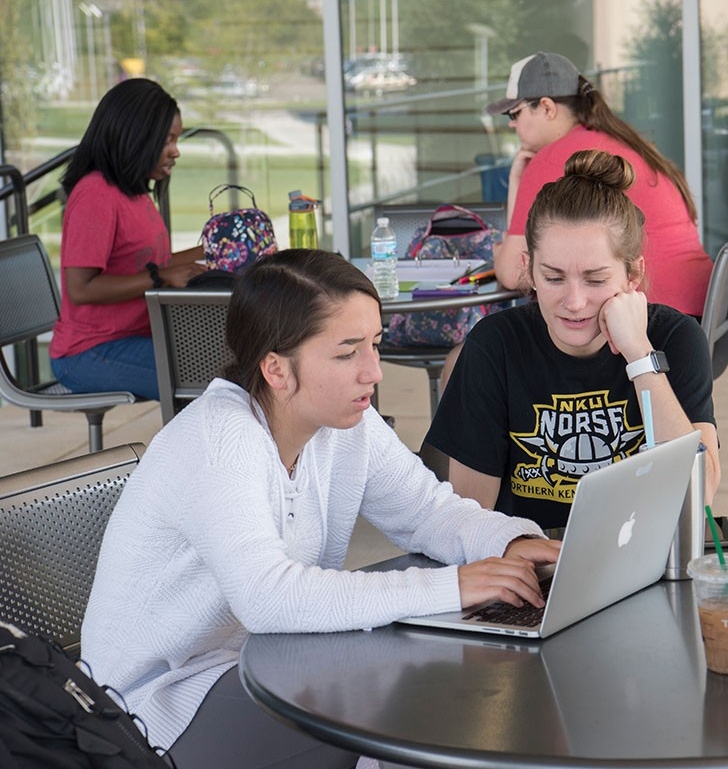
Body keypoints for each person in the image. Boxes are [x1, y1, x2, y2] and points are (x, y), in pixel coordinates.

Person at [80, 248, 561, 769]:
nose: (373, 372)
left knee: (448, 681)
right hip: (153, 709)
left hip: (267, 661)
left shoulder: (341, 422)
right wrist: (453, 585)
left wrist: (515, 543)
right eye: (346, 352)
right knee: (414, 706)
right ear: (276, 369)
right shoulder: (220, 440)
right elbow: (268, 598)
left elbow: (427, 511)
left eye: (374, 345)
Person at [425, 149, 720, 532]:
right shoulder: (495, 345)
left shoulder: (674, 339)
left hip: (650, 560)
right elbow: (471, 520)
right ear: (528, 269)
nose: (575, 302)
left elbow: (699, 497)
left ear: (633, 275)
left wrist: (640, 356)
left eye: (596, 280)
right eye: (553, 277)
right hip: (531, 565)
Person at [487, 51, 712, 318]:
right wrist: (517, 181)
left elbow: (514, 273)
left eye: (514, 113)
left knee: (470, 354)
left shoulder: (552, 158)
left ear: (546, 107)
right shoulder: (620, 140)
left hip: (645, 320)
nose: (512, 125)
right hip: (694, 313)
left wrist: (503, 248)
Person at [49, 78, 206, 400]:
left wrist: (214, 251)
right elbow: (81, 289)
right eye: (168, 140)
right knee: (214, 377)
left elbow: (150, 264)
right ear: (137, 136)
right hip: (89, 352)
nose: (176, 151)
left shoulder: (132, 191)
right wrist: (161, 276)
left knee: (230, 358)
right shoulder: (95, 195)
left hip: (136, 338)